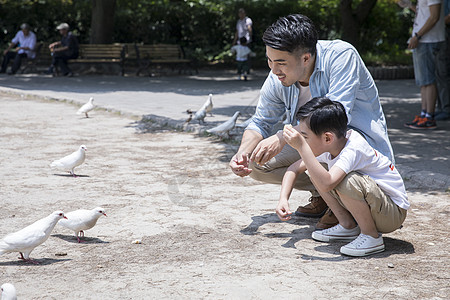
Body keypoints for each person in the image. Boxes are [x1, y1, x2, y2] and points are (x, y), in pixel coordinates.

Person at [229, 14, 395, 230]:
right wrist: (242, 152)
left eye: (280, 63)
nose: (273, 70)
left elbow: (335, 118)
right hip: (315, 146)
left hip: (352, 144)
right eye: (269, 60)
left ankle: (344, 203)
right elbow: (260, 121)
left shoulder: (341, 56)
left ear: (306, 58)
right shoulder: (277, 76)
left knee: (327, 141)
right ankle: (325, 197)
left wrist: (281, 136)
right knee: (256, 163)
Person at [278, 97, 409, 257]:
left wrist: (301, 147)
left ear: (327, 138)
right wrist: (283, 199)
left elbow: (327, 184)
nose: (304, 141)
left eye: (305, 137)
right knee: (316, 172)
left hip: (392, 214)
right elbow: (293, 169)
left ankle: (371, 236)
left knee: (346, 181)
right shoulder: (331, 146)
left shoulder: (353, 149)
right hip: (377, 207)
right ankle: (347, 225)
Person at [401, 0, 447, 129]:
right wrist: (409, 5)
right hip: (423, 40)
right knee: (423, 81)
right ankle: (424, 114)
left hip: (428, 40)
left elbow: (434, 17)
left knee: (428, 80)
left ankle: (429, 117)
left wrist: (417, 36)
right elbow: (425, 14)